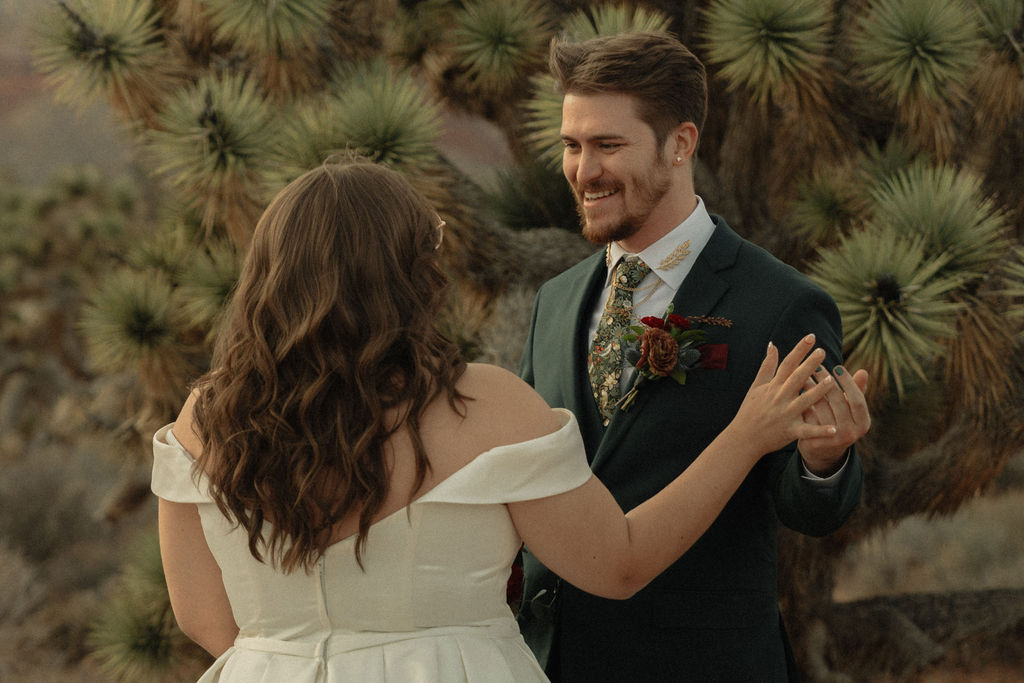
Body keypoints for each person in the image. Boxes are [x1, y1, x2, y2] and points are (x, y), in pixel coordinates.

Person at [152, 158, 851, 682]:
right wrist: (747, 434)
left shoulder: (203, 419)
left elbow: (205, 618)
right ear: (406, 276)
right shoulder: (482, 405)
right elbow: (621, 561)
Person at [517, 32, 871, 682]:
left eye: (608, 145)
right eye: (572, 145)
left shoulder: (780, 303)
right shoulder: (555, 302)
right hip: (555, 662)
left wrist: (824, 459)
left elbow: (811, 509)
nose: (582, 169)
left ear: (681, 144)